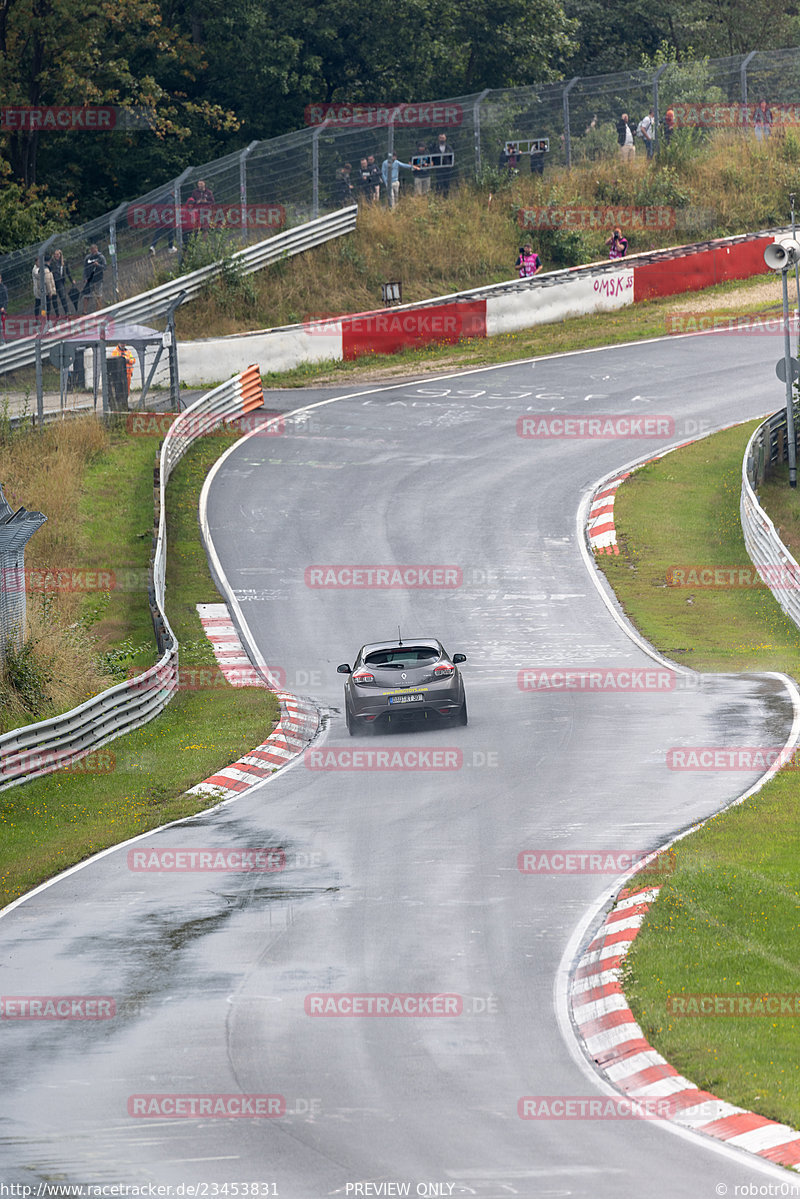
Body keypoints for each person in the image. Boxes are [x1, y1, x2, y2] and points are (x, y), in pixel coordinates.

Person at [81, 244, 107, 313]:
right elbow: (85, 269)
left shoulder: (101, 257)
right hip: (89, 279)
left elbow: (105, 267)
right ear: (90, 251)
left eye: (94, 251)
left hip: (98, 279)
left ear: (97, 249)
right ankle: (84, 311)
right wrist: (84, 278)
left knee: (98, 295)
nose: (93, 252)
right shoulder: (87, 258)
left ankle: (98, 310)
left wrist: (98, 265)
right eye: (92, 251)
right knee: (86, 295)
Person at [49, 249, 74, 317]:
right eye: (55, 254)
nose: (56, 256)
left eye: (58, 254)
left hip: (60, 281)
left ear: (60, 255)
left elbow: (68, 272)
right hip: (53, 282)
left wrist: (71, 280)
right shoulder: (52, 262)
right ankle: (57, 314)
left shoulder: (63, 262)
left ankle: (67, 311)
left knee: (63, 296)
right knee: (54, 298)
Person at [0, 273, 7, 342]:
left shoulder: (3, 288)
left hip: (1, 310)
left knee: (2, 326)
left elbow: (6, 299)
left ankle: (3, 342)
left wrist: (3, 307)